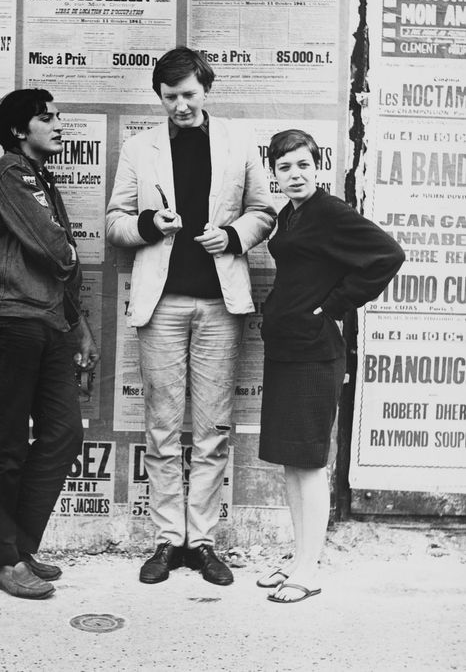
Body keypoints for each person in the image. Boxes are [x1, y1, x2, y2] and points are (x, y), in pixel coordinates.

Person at [106, 47, 276, 586]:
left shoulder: (238, 143)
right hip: (161, 304)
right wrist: (150, 225)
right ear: (159, 95)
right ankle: (166, 540)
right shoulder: (139, 147)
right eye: (170, 95)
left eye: (189, 94)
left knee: (211, 430)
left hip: (219, 303)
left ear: (207, 90)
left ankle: (201, 542)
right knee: (160, 428)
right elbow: (114, 222)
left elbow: (264, 211)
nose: (180, 105)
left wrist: (231, 236)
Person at [257, 129, 404, 604]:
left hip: (315, 352)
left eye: (303, 165)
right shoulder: (291, 215)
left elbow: (388, 255)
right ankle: (299, 557)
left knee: (310, 462)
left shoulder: (330, 212)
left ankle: (310, 569)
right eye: (285, 167)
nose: (295, 175)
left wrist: (336, 304)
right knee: (291, 461)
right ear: (274, 174)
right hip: (287, 348)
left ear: (317, 167)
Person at [0, 88, 99, 599]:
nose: (59, 124)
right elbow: (52, 248)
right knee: (5, 440)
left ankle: (18, 546)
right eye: (48, 118)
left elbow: (56, 263)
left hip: (46, 321)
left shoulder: (40, 180)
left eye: (59, 115)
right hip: (9, 317)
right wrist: (68, 250)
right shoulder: (7, 175)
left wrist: (80, 325)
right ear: (21, 131)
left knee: (64, 433)